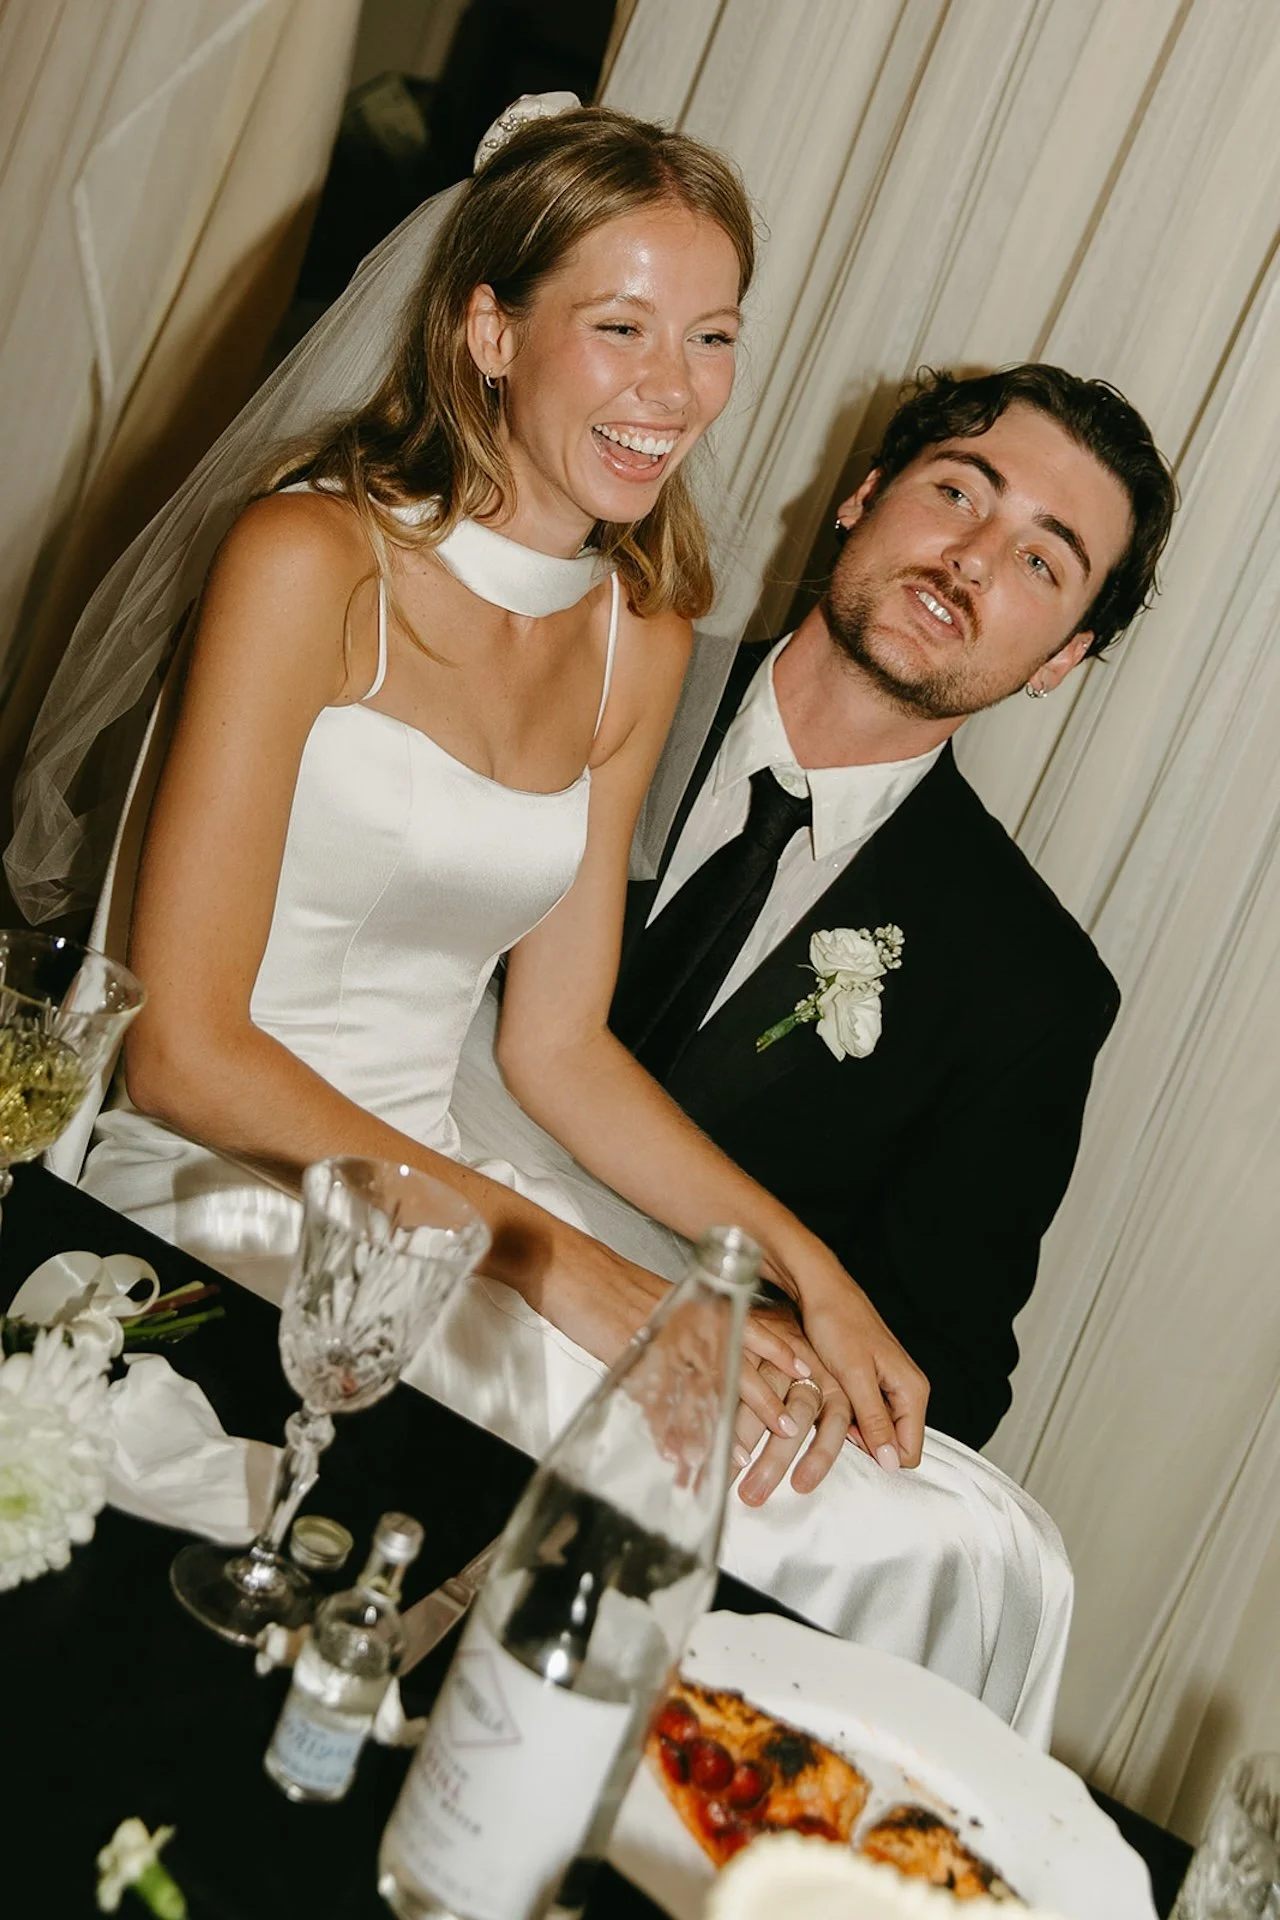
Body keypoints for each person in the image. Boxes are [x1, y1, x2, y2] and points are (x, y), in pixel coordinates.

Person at [13, 106, 1081, 1735]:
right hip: (225, 1181)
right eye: (622, 327)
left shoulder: (634, 630)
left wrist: (800, 1268)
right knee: (699, 1479)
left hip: (446, 1188)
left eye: (713, 335)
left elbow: (560, 1046)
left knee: (955, 1530)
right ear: (490, 330)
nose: (676, 389)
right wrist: (557, 1267)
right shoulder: (311, 559)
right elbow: (180, 1051)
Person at [606, 363, 1178, 1453]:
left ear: (1061, 659)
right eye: (959, 492)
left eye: (1039, 560)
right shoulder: (595, 668)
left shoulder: (1029, 990)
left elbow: (942, 1378)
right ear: (861, 495)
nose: (970, 558)